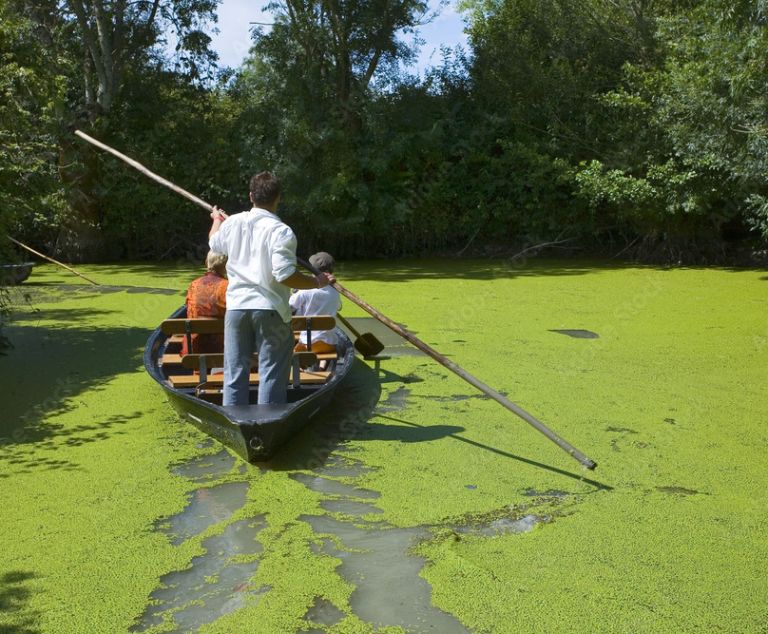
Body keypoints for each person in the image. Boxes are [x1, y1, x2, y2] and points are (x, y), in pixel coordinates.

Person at [208, 171, 335, 406]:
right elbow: (285, 274)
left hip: (236, 309)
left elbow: (213, 243)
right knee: (272, 373)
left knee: (235, 374)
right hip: (270, 309)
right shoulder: (282, 231)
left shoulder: (232, 223)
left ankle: (236, 426)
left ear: (250, 196)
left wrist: (217, 219)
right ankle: (268, 426)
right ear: (278, 198)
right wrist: (316, 282)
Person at [290, 251, 341, 355]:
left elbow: (290, 306)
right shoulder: (335, 292)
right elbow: (339, 307)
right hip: (329, 345)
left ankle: (300, 368)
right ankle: (322, 367)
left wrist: (295, 292)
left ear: (312, 269)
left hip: (306, 344)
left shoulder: (305, 291)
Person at [181, 251, 228, 356]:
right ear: (226, 266)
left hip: (193, 350)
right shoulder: (228, 286)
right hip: (221, 350)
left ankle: (197, 372)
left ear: (207, 262)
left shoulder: (194, 285)